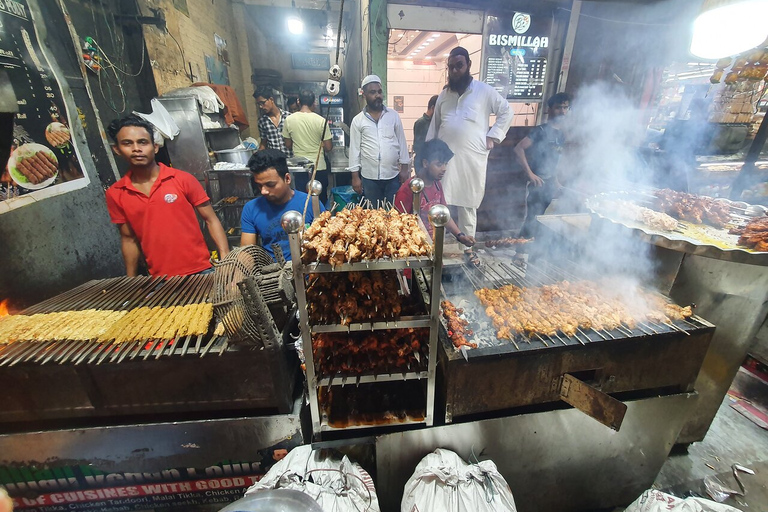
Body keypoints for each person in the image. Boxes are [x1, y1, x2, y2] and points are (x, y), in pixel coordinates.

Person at [105, 115, 229, 277]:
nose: (136, 148)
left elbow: (211, 219)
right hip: (159, 278)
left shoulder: (182, 179)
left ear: (155, 147)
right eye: (127, 143)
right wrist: (131, 280)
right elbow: (128, 239)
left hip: (201, 271)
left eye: (143, 142)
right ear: (117, 150)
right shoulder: (116, 193)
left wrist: (226, 259)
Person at [426, 46, 513, 264]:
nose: (455, 70)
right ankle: (434, 247)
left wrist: (493, 136)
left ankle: (468, 249)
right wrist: (425, 158)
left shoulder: (484, 91)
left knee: (467, 205)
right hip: (443, 162)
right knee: (439, 204)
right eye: (451, 67)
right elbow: (434, 127)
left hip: (472, 161)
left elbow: (506, 111)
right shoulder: (444, 96)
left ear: (468, 66)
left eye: (459, 65)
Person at [240, 149, 325, 261]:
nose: (263, 191)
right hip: (272, 273)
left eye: (270, 185)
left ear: (287, 178)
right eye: (259, 186)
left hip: (309, 273)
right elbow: (247, 255)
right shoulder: (251, 209)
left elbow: (325, 243)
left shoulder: (310, 204)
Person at [395, 139, 475, 249]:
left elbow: (444, 216)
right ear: (425, 163)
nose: (444, 169)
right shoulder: (407, 190)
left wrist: (460, 235)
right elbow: (397, 226)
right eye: (439, 164)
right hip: (414, 252)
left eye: (446, 164)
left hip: (434, 248)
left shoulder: (437, 184)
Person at [514, 92, 570, 239]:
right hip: (538, 183)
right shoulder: (540, 131)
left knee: (544, 219)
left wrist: (556, 180)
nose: (562, 111)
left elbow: (555, 158)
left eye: (565, 107)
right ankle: (519, 253)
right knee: (532, 218)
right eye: (559, 107)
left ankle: (534, 252)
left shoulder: (562, 133)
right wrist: (530, 174)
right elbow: (519, 148)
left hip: (551, 182)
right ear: (549, 109)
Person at [349, 75, 410, 207]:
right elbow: (354, 150)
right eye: (372, 92)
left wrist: (405, 169)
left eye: (379, 92)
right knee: (373, 216)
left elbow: (402, 143)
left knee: (393, 213)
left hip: (392, 176)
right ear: (364, 95)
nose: (377, 95)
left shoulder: (393, 116)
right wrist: (355, 177)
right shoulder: (358, 120)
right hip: (369, 179)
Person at [282, 90, 332, 202]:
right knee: (320, 201)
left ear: (298, 101)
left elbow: (288, 145)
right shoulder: (321, 121)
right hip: (319, 167)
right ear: (314, 102)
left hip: (301, 169)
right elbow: (329, 147)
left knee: (303, 201)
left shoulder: (289, 120)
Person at [254, 87, 291, 155]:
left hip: (290, 159)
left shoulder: (288, 117)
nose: (261, 107)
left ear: (271, 99)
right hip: (274, 161)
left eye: (262, 103)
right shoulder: (262, 121)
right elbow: (263, 143)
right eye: (259, 104)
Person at [412, 95, 438, 164]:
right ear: (433, 108)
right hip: (422, 163)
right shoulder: (421, 123)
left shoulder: (435, 122)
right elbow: (418, 146)